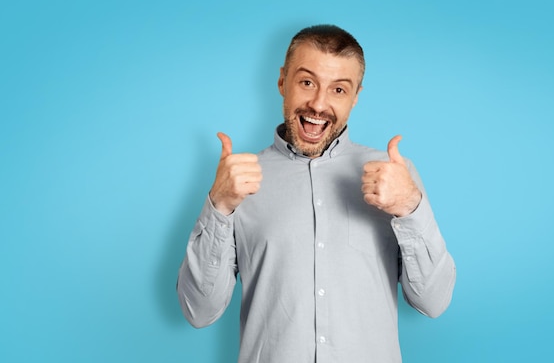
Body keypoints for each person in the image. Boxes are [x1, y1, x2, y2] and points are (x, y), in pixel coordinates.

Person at [177, 24, 456, 363]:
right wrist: (218, 207)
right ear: (283, 81)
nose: (319, 104)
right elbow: (198, 311)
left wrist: (410, 208)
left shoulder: (395, 176)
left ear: (355, 97)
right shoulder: (238, 182)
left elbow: (434, 302)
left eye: (339, 89)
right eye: (307, 82)